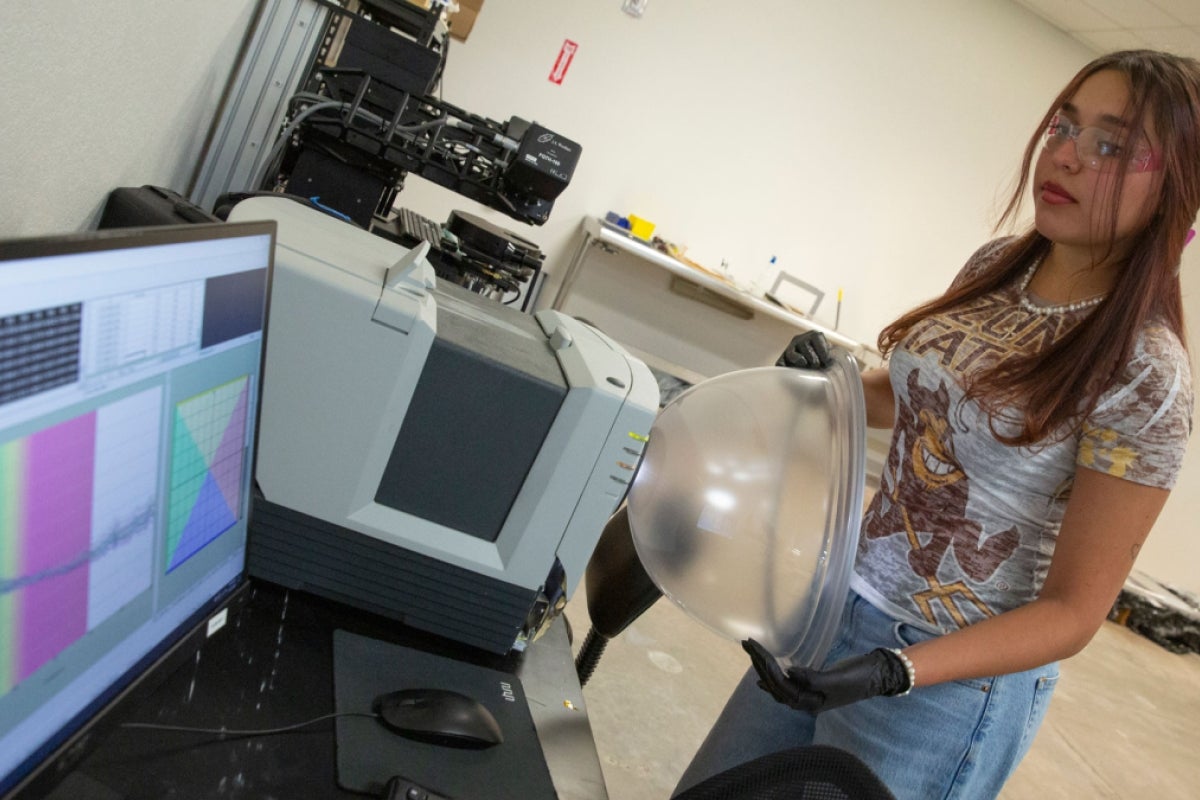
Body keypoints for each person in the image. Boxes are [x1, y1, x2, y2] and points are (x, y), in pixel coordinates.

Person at [673, 49, 1198, 800]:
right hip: (836, 607)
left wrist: (897, 671)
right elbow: (924, 402)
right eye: (1066, 125)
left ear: (1177, 186)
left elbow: (1074, 613)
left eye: (1112, 145)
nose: (1068, 156)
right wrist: (829, 383)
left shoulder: (1146, 373)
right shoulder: (999, 270)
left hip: (941, 685)